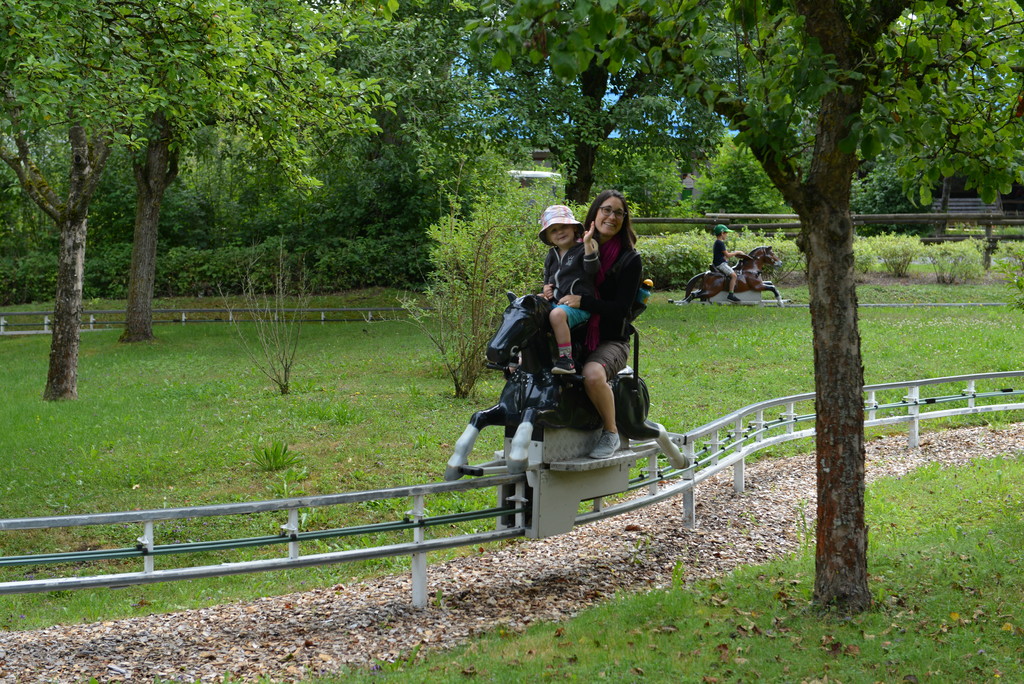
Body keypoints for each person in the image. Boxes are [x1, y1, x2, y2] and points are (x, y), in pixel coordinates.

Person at [554, 189, 642, 460]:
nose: (612, 217)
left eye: (619, 213)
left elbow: (621, 309)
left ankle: (611, 432)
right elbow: (559, 281)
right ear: (595, 213)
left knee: (592, 374)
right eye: (606, 210)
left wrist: (585, 302)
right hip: (574, 333)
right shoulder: (575, 249)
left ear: (624, 220)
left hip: (610, 338)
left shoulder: (629, 259)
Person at [538, 204, 599, 374]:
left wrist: (588, 244)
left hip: (578, 307)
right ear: (549, 238)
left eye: (563, 227)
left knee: (556, 315)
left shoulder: (581, 250)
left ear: (574, 228)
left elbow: (592, 269)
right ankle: (520, 356)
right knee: (530, 307)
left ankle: (566, 359)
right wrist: (546, 288)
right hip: (557, 302)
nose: (560, 232)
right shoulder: (552, 255)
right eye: (553, 230)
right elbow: (548, 277)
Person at [712, 224, 748, 303]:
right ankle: (730, 295)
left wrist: (729, 256)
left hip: (720, 262)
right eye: (726, 233)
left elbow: (723, 256)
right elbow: (727, 255)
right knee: (734, 276)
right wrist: (737, 252)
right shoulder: (720, 243)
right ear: (722, 233)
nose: (727, 235)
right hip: (720, 264)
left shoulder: (717, 242)